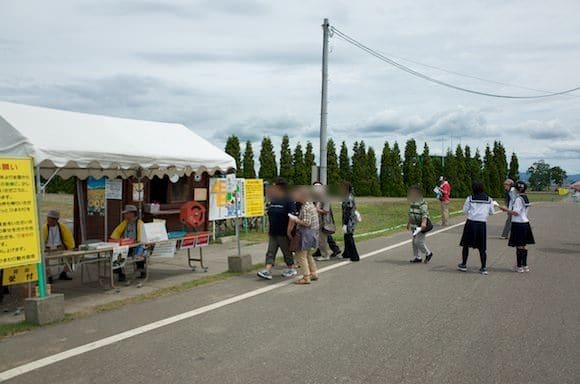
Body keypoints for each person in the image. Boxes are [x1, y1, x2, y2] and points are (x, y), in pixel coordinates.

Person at [257, 178, 298, 280]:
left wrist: (289, 230)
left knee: (286, 251)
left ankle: (291, 268)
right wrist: (269, 228)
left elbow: (292, 217)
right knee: (270, 251)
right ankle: (267, 270)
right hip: (273, 231)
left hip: (284, 231)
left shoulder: (288, 200)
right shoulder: (274, 199)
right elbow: (270, 215)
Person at [457, 181, 495, 275]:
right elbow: (492, 212)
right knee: (482, 247)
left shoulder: (470, 198)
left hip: (471, 222)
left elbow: (465, 211)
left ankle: (464, 264)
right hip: (482, 224)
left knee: (466, 244)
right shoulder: (489, 199)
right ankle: (483, 267)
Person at [498, 181, 535, 273]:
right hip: (525, 222)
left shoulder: (518, 199)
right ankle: (524, 265)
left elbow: (516, 212)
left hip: (518, 223)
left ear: (517, 189)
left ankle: (519, 266)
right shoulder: (525, 197)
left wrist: (505, 209)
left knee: (519, 246)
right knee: (524, 245)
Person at [288, 187, 320, 285]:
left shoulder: (305, 207)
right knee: (308, 254)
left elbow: (307, 223)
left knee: (301, 255)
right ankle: (313, 273)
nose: (295, 197)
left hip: (306, 233)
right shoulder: (311, 205)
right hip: (313, 233)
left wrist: (295, 219)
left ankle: (306, 277)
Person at [110, 205, 144, 281]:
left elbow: (140, 239)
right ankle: (120, 273)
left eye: (126, 213)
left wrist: (133, 243)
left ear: (132, 214)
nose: (125, 215)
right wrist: (117, 240)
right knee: (116, 253)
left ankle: (141, 270)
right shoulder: (125, 223)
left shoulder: (139, 223)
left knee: (137, 251)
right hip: (126, 245)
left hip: (136, 246)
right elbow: (115, 234)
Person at [311, 181, 341, 261]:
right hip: (317, 221)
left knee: (323, 239)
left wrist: (317, 210)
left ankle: (325, 255)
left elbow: (326, 210)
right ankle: (323, 252)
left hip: (324, 222)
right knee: (321, 239)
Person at [43, 210, 75, 281]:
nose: (48, 220)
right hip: (47, 249)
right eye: (48, 218)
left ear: (56, 220)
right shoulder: (45, 228)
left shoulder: (62, 227)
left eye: (50, 219)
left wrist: (69, 247)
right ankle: (49, 276)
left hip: (60, 248)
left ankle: (64, 272)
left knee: (71, 256)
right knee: (44, 260)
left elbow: (68, 238)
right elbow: (42, 241)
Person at [407, 185, 433, 263]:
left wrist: (424, 222)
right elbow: (411, 212)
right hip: (414, 225)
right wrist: (408, 223)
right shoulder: (412, 202)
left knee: (418, 241)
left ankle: (428, 253)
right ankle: (418, 257)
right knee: (414, 241)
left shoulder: (422, 202)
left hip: (421, 225)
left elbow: (424, 213)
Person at [341, 181, 360, 262]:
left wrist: (345, 224)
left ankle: (355, 256)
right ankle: (346, 253)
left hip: (349, 220)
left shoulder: (349, 198)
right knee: (346, 237)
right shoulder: (346, 196)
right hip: (348, 219)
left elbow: (348, 211)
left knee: (349, 237)